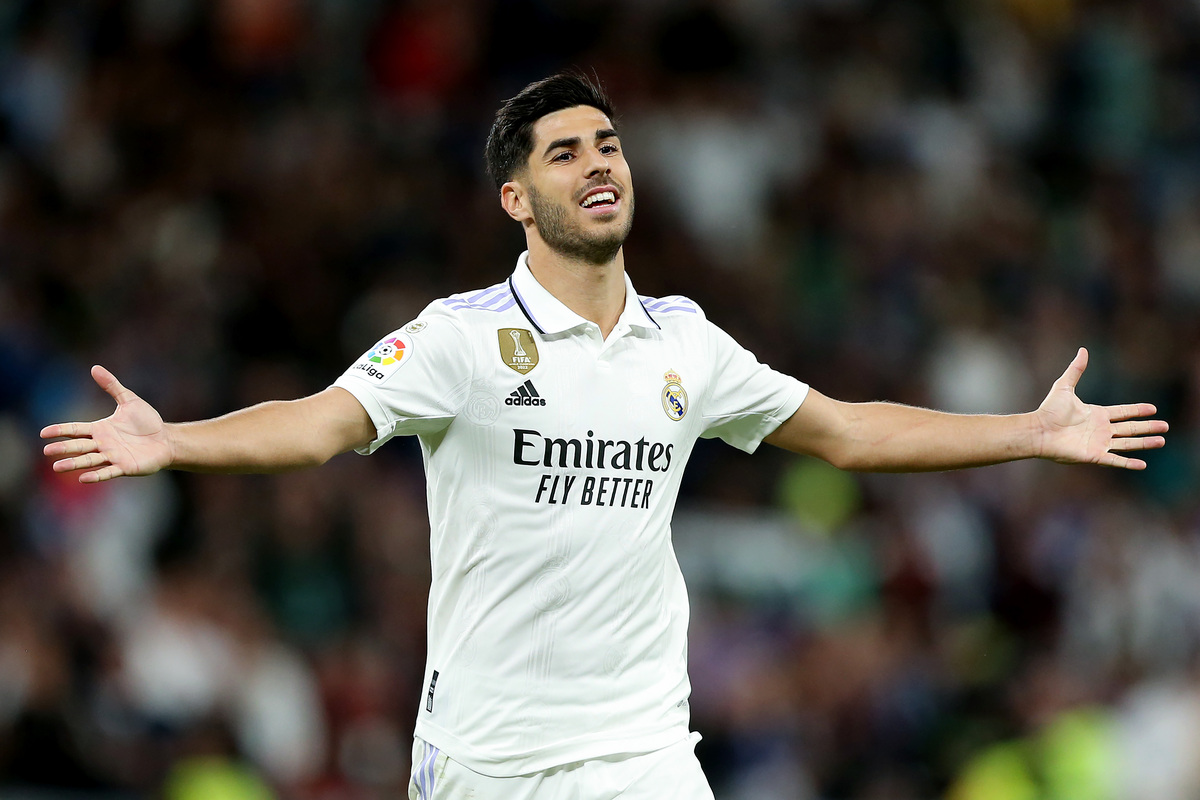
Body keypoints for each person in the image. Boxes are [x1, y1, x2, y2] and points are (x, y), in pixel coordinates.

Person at [41, 73, 1167, 800]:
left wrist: (1025, 430)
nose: (600, 163)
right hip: (490, 755)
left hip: (641, 749)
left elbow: (848, 432)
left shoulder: (686, 344)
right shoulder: (460, 338)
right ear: (517, 201)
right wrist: (175, 440)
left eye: (610, 143)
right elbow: (321, 423)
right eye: (567, 152)